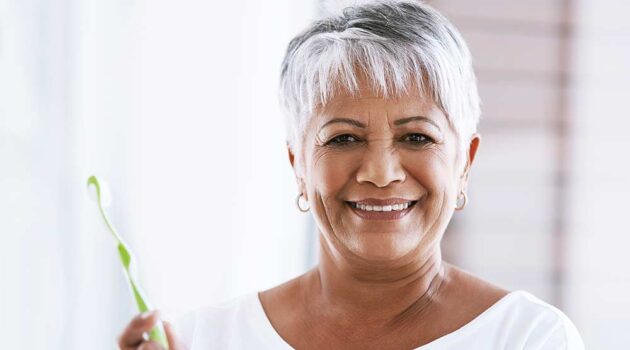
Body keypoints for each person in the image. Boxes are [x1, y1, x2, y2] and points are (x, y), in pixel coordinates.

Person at [117, 1, 585, 349]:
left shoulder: (529, 338)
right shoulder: (203, 339)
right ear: (298, 165)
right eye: (343, 138)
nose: (381, 174)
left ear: (465, 163)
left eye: (417, 137)